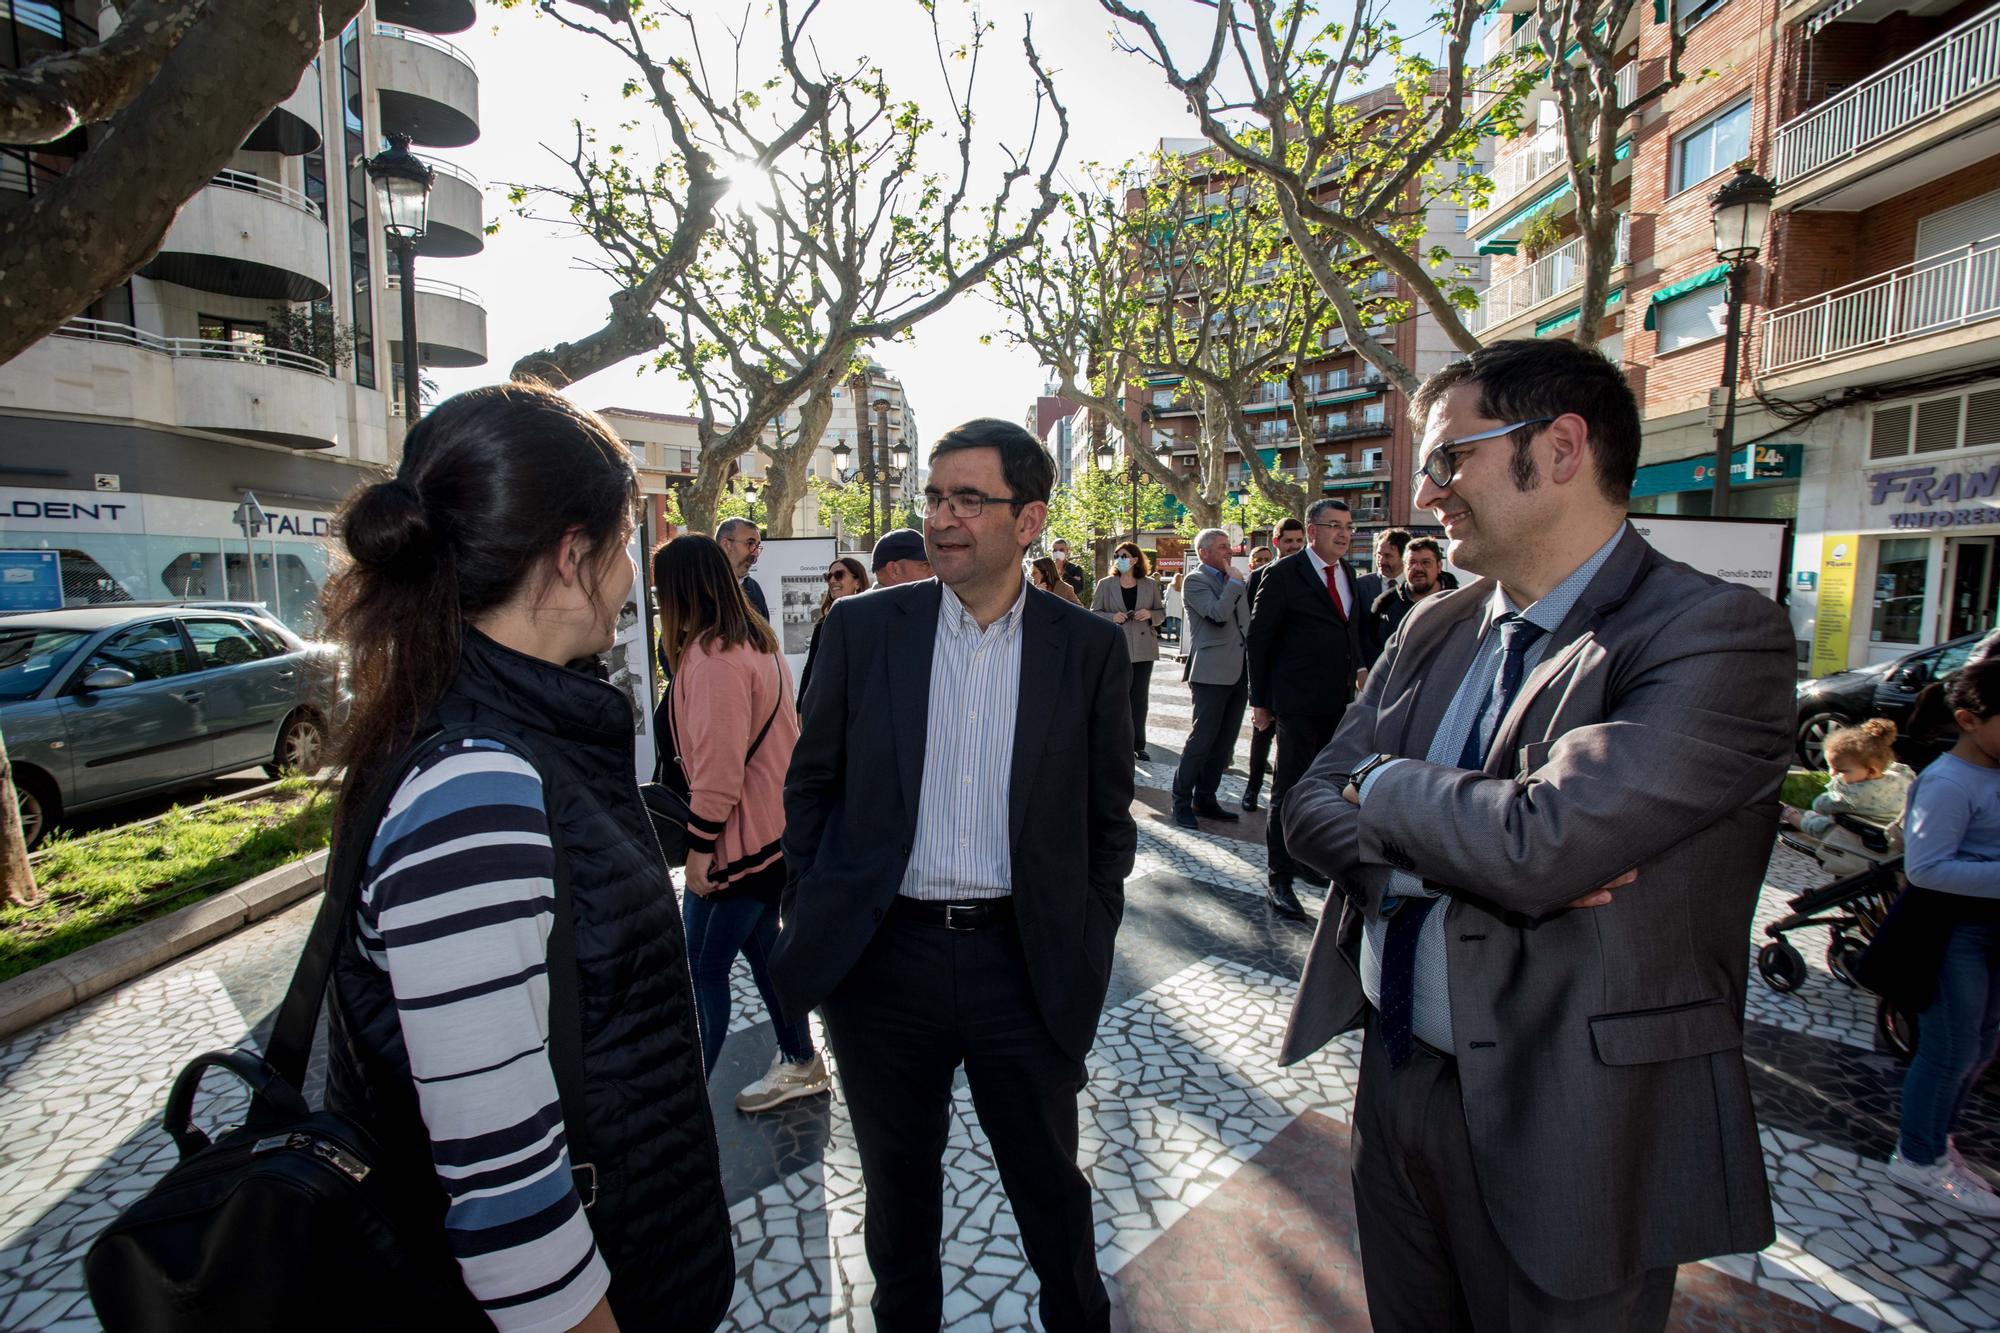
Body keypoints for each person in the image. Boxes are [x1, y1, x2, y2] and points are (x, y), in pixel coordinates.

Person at [1279, 339, 1792, 1331]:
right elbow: (1306, 803)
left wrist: (1379, 782)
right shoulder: (1432, 624)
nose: (1427, 492)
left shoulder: (1712, 634)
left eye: (1447, 458)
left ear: (1558, 448)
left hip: (1573, 1118)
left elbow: (1537, 846)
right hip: (1394, 1079)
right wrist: (1446, 846)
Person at [321, 383, 733, 1333]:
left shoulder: (496, 727)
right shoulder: (475, 791)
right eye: (626, 543)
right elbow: (504, 1193)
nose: (633, 575)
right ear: (570, 554)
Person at [772, 417, 1135, 1333]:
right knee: (897, 1199)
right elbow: (810, 789)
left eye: (970, 498)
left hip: (1027, 963)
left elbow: (1106, 825)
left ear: (1031, 519)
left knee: (1050, 1189)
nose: (943, 516)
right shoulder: (860, 630)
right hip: (885, 965)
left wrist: (1086, 943)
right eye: (935, 496)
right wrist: (826, 912)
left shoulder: (1084, 648)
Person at [656, 534, 831, 1113]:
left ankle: (685, 1106)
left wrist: (699, 850)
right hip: (772, 835)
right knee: (763, 956)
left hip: (739, 847)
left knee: (703, 974)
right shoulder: (756, 641)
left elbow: (718, 776)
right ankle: (802, 1060)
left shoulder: (712, 660)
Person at [1887, 659, 2000, 1217]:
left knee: (1980, 1043)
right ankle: (1919, 1156)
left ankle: (1938, 1140)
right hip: (1955, 935)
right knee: (1951, 1048)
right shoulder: (1949, 782)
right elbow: (1927, 867)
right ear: (1969, 720)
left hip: (1990, 933)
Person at [1246, 498, 1362, 921]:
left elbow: (1351, 634)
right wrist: (1260, 702)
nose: (1344, 534)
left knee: (1326, 787)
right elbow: (1259, 641)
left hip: (1339, 704)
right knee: (1289, 788)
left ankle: (1307, 860)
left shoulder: (1348, 574)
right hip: (1295, 704)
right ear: (1312, 531)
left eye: (1348, 526)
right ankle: (1279, 875)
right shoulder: (1283, 574)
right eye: (1334, 525)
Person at [1172, 528, 1249, 831]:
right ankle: (1180, 799)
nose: (1229, 552)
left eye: (1229, 546)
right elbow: (1217, 614)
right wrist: (1233, 584)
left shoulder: (1234, 580)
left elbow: (1244, 622)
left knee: (1224, 742)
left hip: (1239, 670)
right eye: (1221, 547)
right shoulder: (1195, 581)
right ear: (1203, 553)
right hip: (1210, 673)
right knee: (1201, 740)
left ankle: (1206, 797)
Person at [1243, 517, 1306, 812]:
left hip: (1299, 678)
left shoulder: (1312, 575)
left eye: (1299, 541)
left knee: (1293, 745)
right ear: (1277, 542)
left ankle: (1288, 799)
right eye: (1289, 541)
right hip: (1269, 674)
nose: (1294, 546)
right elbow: (1254, 632)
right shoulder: (1261, 576)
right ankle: (1252, 789)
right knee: (1261, 734)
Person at [1779, 717, 1914, 840]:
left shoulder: (1852, 796)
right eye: (1830, 767)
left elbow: (1819, 805)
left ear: (1871, 771)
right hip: (1891, 831)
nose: (1832, 774)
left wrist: (1836, 786)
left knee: (1820, 826)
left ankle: (1793, 816)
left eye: (1841, 771)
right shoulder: (1901, 777)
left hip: (1861, 835)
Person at [1092, 542, 1163, 760]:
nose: (1120, 559)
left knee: (1139, 699)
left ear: (1135, 559)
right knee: (1115, 696)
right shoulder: (1105, 584)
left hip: (1143, 648)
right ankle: (1114, 742)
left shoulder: (1150, 585)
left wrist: (1150, 613)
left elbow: (1162, 613)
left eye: (1124, 556)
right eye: (1117, 556)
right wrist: (1111, 617)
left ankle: (1137, 744)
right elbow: (1094, 613)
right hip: (1116, 647)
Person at [1363, 535, 1444, 663]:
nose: (1418, 568)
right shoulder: (1385, 605)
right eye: (1412, 563)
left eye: (1425, 562)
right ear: (1404, 566)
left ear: (1439, 566)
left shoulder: (1457, 602)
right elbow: (1372, 645)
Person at [798, 555, 870, 702]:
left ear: (857, 582)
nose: (832, 581)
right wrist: (800, 706)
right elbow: (811, 667)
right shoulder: (823, 624)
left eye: (839, 575)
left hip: (863, 704)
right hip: (831, 705)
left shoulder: (871, 621)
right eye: (828, 576)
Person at [1352, 528, 1410, 631]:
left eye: (1388, 556)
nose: (1381, 561)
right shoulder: (1360, 586)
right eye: (1379, 555)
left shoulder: (1415, 587)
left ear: (1404, 557)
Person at [716, 517, 768, 619]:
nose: (755, 552)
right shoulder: (703, 586)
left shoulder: (753, 587)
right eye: (750, 543)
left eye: (757, 546)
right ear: (726, 545)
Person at [1049, 537, 1091, 602]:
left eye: (1061, 550)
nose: (1057, 553)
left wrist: (1062, 571)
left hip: (1069, 605)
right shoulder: (1046, 568)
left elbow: (1078, 588)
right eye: (1055, 550)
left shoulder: (1075, 568)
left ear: (1067, 551)